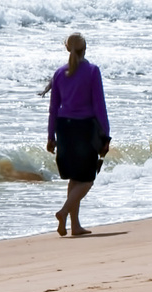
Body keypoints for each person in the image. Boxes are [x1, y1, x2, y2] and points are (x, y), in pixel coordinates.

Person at [38, 32, 110, 237]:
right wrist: (106, 134)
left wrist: (50, 136)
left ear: (68, 49)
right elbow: (99, 106)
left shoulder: (59, 73)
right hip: (84, 128)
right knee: (87, 179)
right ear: (84, 49)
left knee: (75, 178)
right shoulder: (92, 71)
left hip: (64, 128)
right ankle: (63, 212)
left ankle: (75, 226)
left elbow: (53, 108)